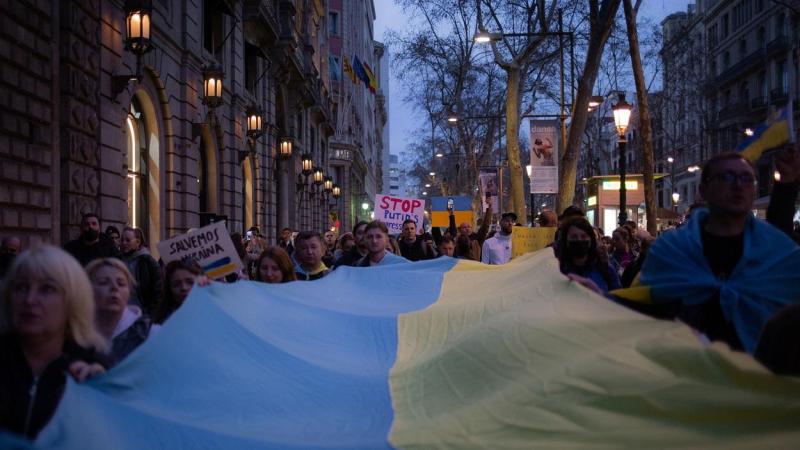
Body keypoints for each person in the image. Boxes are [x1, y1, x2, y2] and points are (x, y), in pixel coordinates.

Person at [629, 152, 800, 354]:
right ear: (704, 190)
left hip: (758, 377)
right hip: (685, 369)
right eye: (726, 177)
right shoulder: (670, 250)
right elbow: (642, 311)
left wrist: (787, 187)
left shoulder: (777, 250)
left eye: (747, 179)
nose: (738, 185)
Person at [0, 246, 109, 439]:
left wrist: (104, 395)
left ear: (73, 300)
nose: (30, 300)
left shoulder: (97, 369)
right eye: (21, 287)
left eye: (47, 289)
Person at [87, 258, 159, 362]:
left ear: (129, 290)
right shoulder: (75, 336)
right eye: (103, 282)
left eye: (121, 283)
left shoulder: (151, 335)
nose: (114, 287)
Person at [557, 217, 621, 295]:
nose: (579, 240)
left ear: (591, 240)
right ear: (565, 241)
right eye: (574, 237)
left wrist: (599, 294)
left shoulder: (605, 268)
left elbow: (618, 299)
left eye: (583, 236)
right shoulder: (559, 270)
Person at [119, 227, 162, 316]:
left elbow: (158, 291)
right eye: (122, 240)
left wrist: (150, 315)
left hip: (141, 314)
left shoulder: (148, 262)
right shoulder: (117, 260)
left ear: (137, 242)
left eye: (128, 240)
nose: (124, 243)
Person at [158, 258, 207, 323]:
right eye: (176, 284)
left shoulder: (217, 310)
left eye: (190, 282)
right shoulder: (162, 325)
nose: (184, 288)